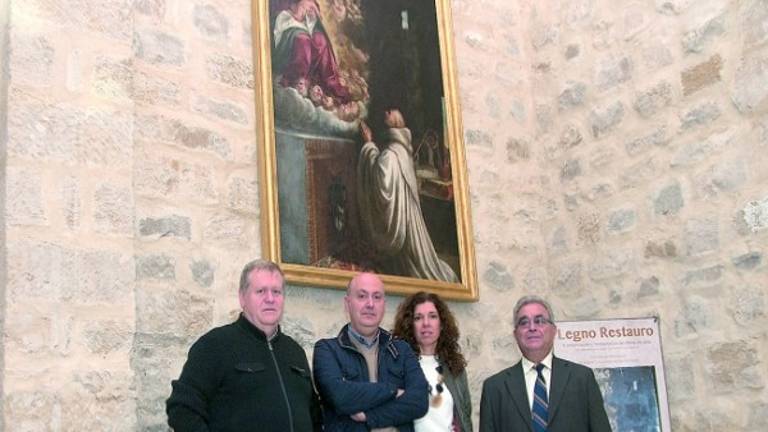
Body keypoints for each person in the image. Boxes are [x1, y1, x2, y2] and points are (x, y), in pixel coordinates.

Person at [166, 259, 321, 432]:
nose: (270, 298)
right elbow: (182, 409)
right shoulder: (214, 345)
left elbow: (314, 415)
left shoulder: (295, 351)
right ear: (242, 298)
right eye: (261, 291)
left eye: (276, 292)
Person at [313, 272, 429, 431]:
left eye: (377, 297)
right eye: (362, 296)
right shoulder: (327, 350)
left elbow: (420, 401)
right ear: (347, 304)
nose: (370, 304)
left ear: (384, 304)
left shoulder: (401, 350)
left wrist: (370, 417)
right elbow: (340, 397)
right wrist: (393, 392)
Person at [479, 296, 612, 432]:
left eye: (539, 321)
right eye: (524, 323)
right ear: (515, 334)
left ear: (554, 330)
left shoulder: (582, 378)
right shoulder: (494, 388)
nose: (532, 327)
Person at [357, 109, 459, 283]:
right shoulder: (402, 150)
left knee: (411, 263)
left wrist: (368, 145)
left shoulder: (391, 154)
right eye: (387, 110)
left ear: (396, 122)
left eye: (391, 112)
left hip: (405, 227)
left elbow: (382, 182)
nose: (387, 112)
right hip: (409, 219)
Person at [393, 292, 473, 432]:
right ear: (410, 325)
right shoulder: (396, 366)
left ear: (441, 324)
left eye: (432, 316)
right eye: (418, 318)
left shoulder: (455, 368)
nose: (426, 323)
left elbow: (465, 418)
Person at [271, 0, 351, 103]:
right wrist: (298, 7)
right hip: (288, 19)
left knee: (320, 40)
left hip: (305, 22)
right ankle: (295, 80)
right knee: (303, 41)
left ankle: (329, 81)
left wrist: (312, 9)